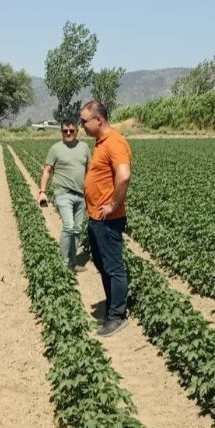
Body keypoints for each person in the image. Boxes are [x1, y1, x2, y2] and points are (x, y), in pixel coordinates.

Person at [80, 100, 132, 337]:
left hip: (108, 219)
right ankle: (112, 306)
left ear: (98, 120)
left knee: (113, 266)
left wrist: (112, 205)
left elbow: (123, 176)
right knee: (102, 264)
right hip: (96, 217)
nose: (81, 126)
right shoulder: (100, 143)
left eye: (84, 122)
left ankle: (117, 315)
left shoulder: (115, 142)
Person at [38, 121, 90, 270]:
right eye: (65, 131)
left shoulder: (84, 148)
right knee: (69, 226)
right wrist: (42, 192)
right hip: (62, 193)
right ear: (61, 132)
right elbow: (47, 171)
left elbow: (90, 170)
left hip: (80, 195)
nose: (68, 133)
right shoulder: (56, 149)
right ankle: (63, 264)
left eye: (71, 130)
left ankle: (73, 262)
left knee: (77, 228)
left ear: (77, 130)